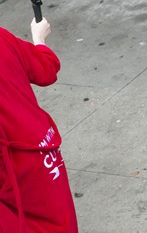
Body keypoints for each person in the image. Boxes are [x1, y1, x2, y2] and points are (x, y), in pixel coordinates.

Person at [0, 17, 79, 231]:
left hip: (21, 157)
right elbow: (46, 69)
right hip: (38, 148)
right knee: (59, 220)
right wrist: (39, 38)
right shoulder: (2, 38)